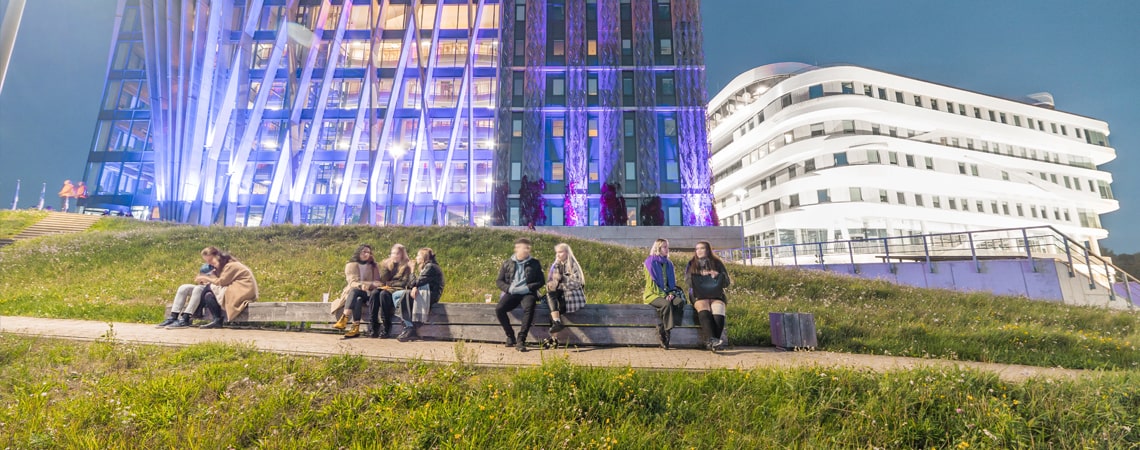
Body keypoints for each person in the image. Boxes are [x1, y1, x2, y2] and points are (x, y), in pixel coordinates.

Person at [494, 238, 545, 352]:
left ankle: (521, 339)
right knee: (499, 309)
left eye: (528, 248)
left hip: (527, 293)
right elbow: (499, 281)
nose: (526, 250)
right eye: (523, 247)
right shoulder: (507, 263)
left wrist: (528, 288)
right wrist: (509, 288)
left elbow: (541, 281)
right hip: (512, 292)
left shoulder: (534, 263)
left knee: (529, 307)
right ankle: (510, 336)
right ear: (516, 248)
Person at [194, 247, 259, 328]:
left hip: (243, 291)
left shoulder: (231, 265)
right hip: (238, 289)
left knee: (209, 287)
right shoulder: (224, 266)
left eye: (211, 261)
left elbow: (222, 282)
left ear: (218, 256)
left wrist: (206, 278)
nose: (209, 264)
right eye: (207, 262)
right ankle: (217, 320)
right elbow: (219, 280)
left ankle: (198, 310)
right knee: (208, 295)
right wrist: (210, 276)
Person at [685, 241, 732, 351]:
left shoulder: (717, 263)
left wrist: (717, 275)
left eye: (702, 248)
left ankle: (714, 341)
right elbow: (688, 282)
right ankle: (713, 341)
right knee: (703, 306)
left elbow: (727, 282)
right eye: (697, 249)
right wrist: (700, 275)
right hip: (698, 294)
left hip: (715, 293)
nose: (699, 251)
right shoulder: (692, 263)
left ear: (708, 250)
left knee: (718, 308)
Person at [331, 245, 383, 338]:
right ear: (358, 252)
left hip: (370, 293)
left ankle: (344, 319)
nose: (366, 254)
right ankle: (355, 328)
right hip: (355, 292)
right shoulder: (351, 265)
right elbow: (352, 282)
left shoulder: (374, 266)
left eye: (369, 252)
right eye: (364, 251)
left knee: (356, 292)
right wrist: (360, 285)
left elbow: (378, 282)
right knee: (357, 297)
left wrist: (368, 284)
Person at [542, 242, 586, 348]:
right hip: (559, 296)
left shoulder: (573, 264)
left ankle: (554, 338)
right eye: (557, 252)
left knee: (552, 310)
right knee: (551, 299)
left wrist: (563, 279)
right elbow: (553, 282)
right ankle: (556, 329)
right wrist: (551, 284)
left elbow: (578, 282)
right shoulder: (556, 265)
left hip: (572, 297)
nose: (558, 255)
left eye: (560, 252)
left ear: (567, 253)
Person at [643, 238, 685, 350]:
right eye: (664, 247)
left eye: (667, 247)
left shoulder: (669, 263)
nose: (667, 249)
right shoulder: (650, 262)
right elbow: (652, 285)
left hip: (668, 293)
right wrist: (664, 295)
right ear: (658, 248)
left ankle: (663, 327)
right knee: (666, 304)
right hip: (653, 294)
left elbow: (671, 283)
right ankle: (666, 334)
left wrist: (671, 293)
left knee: (679, 303)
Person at [396, 248, 445, 342]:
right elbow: (416, 284)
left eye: (418, 255)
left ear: (423, 258)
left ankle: (409, 327)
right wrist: (415, 287)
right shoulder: (426, 267)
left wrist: (412, 270)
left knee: (404, 295)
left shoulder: (430, 267)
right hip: (424, 293)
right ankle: (408, 324)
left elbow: (414, 282)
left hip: (430, 296)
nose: (416, 257)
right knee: (396, 295)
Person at [157, 262, 216, 329]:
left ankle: (186, 318)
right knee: (183, 287)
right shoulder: (205, 266)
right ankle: (173, 317)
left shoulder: (222, 266)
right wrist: (200, 280)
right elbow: (198, 278)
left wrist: (209, 280)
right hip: (203, 286)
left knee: (198, 288)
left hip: (213, 290)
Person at [372, 244, 413, 338]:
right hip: (386, 288)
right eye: (393, 253)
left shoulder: (406, 266)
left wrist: (389, 284)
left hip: (397, 290)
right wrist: (385, 268)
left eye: (397, 253)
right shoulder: (387, 264)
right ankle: (373, 325)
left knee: (383, 294)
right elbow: (382, 280)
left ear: (402, 255)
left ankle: (386, 325)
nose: (394, 255)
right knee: (374, 293)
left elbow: (403, 283)